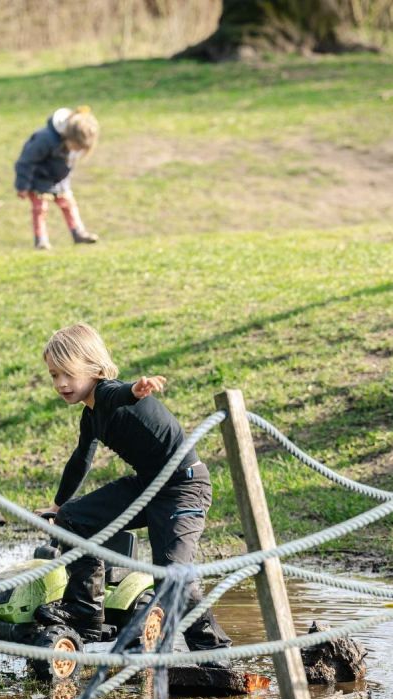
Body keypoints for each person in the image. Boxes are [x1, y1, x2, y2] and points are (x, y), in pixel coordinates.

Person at [36, 323, 232, 656]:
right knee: (74, 518)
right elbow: (80, 460)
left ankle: (215, 656)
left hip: (184, 487)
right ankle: (85, 612)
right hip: (148, 484)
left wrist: (137, 389)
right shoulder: (91, 416)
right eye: (54, 376)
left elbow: (119, 392)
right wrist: (57, 506)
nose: (61, 384)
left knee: (172, 577)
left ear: (94, 368)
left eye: (67, 374)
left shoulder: (110, 393)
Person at [14, 106, 101, 250]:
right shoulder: (45, 139)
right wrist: (22, 185)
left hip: (59, 181)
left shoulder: (72, 143)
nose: (77, 151)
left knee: (69, 204)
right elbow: (26, 161)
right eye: (76, 147)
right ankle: (41, 240)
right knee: (40, 209)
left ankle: (78, 232)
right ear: (67, 136)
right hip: (38, 180)